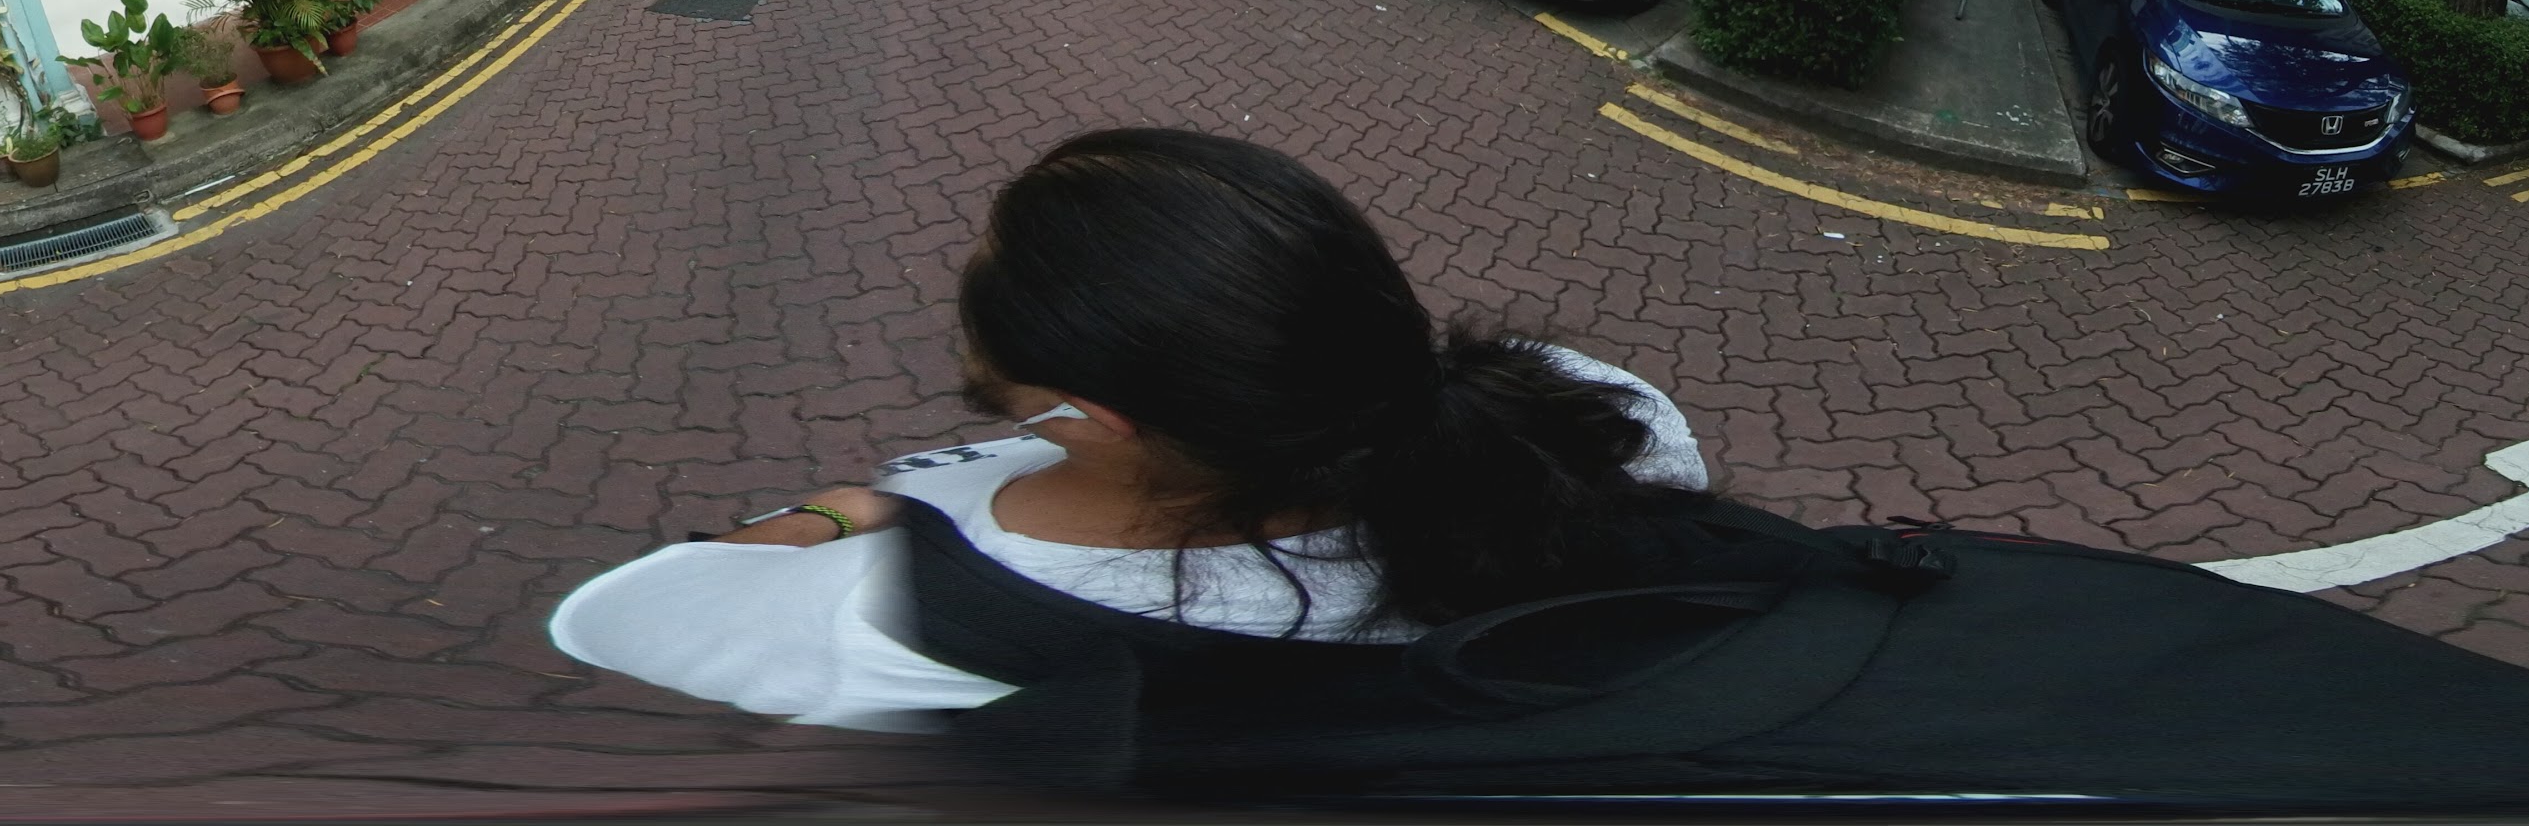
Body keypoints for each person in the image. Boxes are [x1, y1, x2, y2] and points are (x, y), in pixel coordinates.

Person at [550, 130, 1710, 732]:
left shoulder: (882, 611)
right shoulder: (1600, 411)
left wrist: (837, 512)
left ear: (1096, 421)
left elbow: (616, 612)